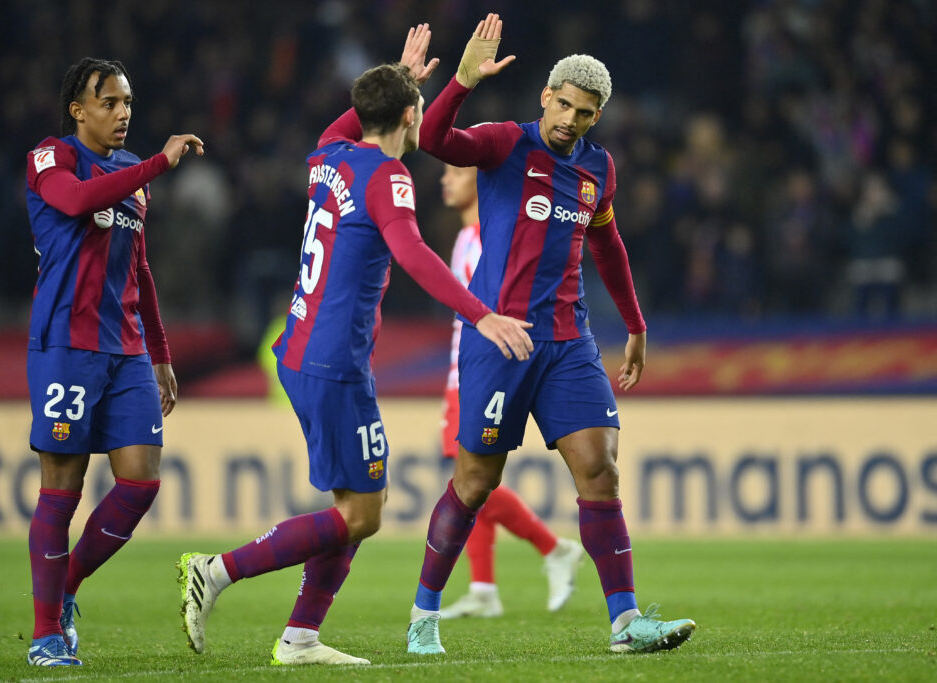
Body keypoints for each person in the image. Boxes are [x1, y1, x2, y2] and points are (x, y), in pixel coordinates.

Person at [176, 25, 532, 667]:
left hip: (305, 349)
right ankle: (217, 570)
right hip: (333, 360)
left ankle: (300, 637)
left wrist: (399, 75)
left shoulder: (328, 153)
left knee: (359, 505)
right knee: (363, 514)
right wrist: (481, 314)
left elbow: (359, 119)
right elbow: (414, 254)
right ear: (410, 114)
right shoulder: (389, 176)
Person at [406, 15, 696, 655]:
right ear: (546, 95)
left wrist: (637, 324)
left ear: (598, 117)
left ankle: (625, 624)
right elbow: (431, 137)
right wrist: (460, 81)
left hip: (569, 342)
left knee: (600, 469)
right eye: (564, 104)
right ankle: (424, 614)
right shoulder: (505, 143)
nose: (571, 119)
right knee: (476, 482)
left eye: (585, 112)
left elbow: (609, 245)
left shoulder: (598, 170)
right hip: (499, 338)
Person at [24, 58, 204, 667]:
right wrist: (157, 162)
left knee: (141, 481)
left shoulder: (131, 175)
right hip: (67, 345)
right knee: (63, 488)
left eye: (128, 101)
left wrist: (160, 354)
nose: (123, 111)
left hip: (125, 349)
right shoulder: (52, 157)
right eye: (110, 102)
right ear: (78, 109)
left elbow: (141, 270)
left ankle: (66, 587)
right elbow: (74, 203)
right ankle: (46, 634)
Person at [437, 163, 584, 619]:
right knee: (467, 479)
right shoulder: (465, 236)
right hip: (461, 371)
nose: (446, 179)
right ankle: (483, 588)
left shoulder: (486, 238)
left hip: (480, 373)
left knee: (469, 480)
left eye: (455, 173)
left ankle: (553, 547)